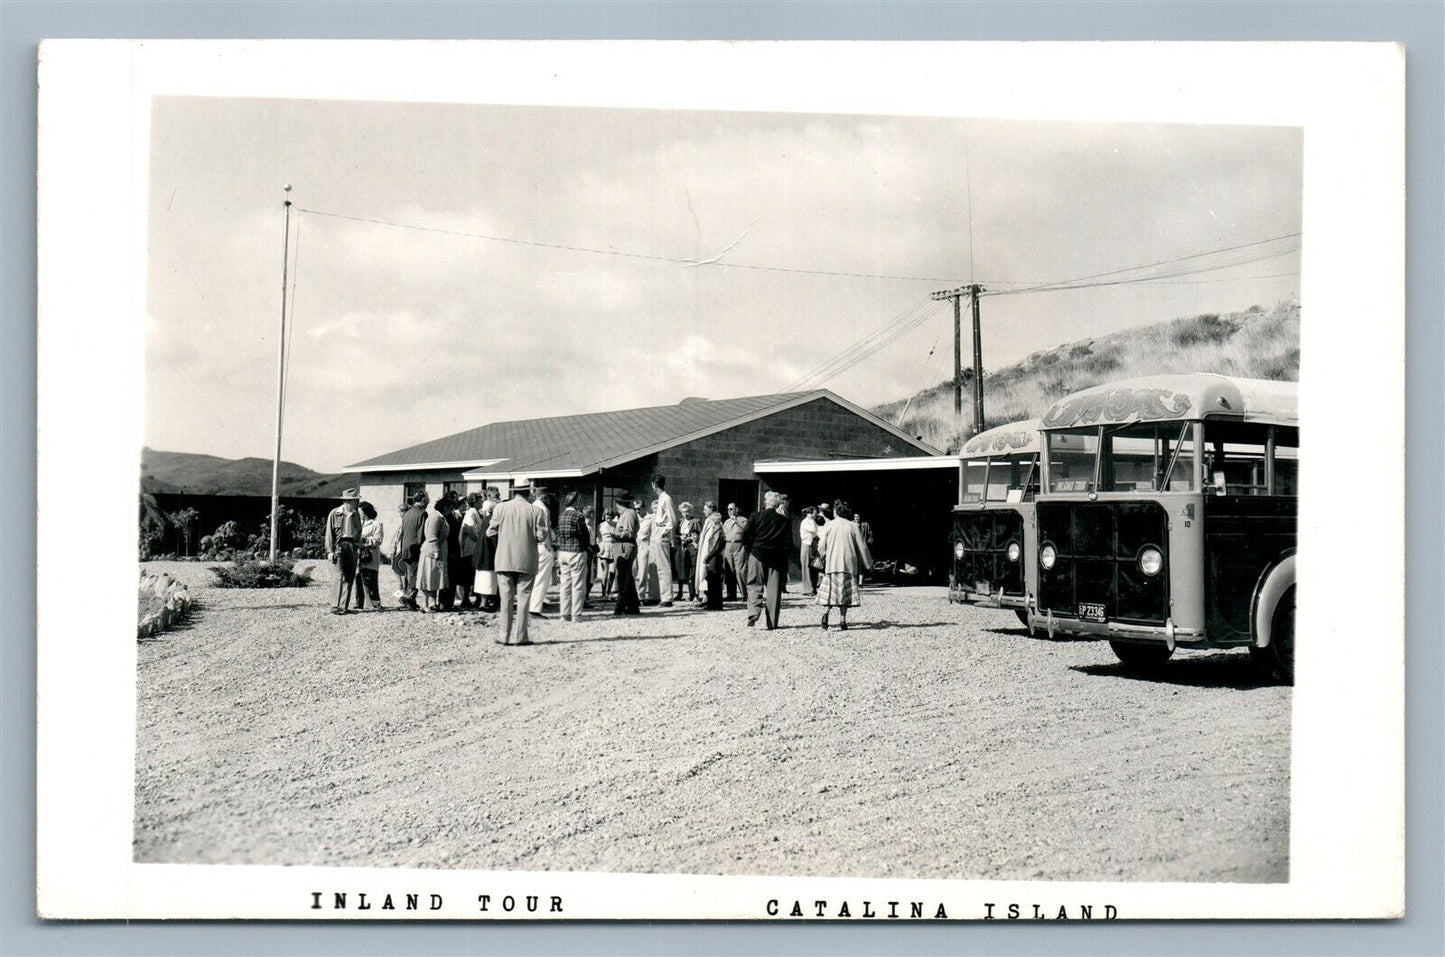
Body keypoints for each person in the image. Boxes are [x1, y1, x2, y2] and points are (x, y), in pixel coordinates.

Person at [487, 483, 548, 645]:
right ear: (529, 492)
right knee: (524, 598)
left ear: (514, 492)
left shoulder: (501, 508)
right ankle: (521, 636)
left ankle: (503, 635)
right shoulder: (536, 511)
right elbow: (541, 536)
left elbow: (490, 531)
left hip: (504, 558)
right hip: (527, 558)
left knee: (505, 598)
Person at [816, 499, 874, 630]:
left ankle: (826, 614)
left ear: (836, 511)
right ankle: (843, 621)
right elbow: (862, 546)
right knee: (845, 593)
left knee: (831, 592)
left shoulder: (829, 525)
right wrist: (868, 563)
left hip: (832, 564)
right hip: (848, 564)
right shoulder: (852, 526)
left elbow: (821, 545)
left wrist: (824, 555)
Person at [741, 490, 790, 629]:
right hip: (776, 558)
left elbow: (745, 535)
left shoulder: (756, 516)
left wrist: (750, 548)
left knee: (754, 584)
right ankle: (772, 622)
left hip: (757, 554)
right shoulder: (784, 520)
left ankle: (753, 613)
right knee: (774, 590)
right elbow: (788, 543)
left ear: (765, 502)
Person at [323, 488, 364, 614]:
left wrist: (357, 546)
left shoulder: (356, 515)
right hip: (338, 545)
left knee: (349, 575)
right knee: (338, 574)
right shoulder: (335, 513)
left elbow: (359, 532)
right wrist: (329, 551)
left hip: (351, 544)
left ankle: (343, 606)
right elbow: (329, 533)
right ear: (347, 501)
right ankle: (335, 606)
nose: (356, 503)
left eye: (356, 500)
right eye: (354, 501)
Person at [556, 491, 592, 622]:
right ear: (576, 502)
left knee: (565, 584)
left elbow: (559, 533)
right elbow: (584, 535)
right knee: (577, 585)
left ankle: (564, 614)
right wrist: (587, 546)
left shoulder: (561, 516)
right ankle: (576, 614)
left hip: (563, 551)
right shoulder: (578, 516)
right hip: (576, 551)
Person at [414, 493, 450, 613]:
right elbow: (431, 535)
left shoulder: (440, 517)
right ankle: (425, 605)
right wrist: (436, 551)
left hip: (437, 552)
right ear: (444, 507)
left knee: (435, 578)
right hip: (431, 552)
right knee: (427, 578)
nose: (451, 510)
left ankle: (433, 602)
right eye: (449, 507)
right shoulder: (435, 517)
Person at [609, 496, 641, 615]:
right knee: (628, 577)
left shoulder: (628, 514)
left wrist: (615, 534)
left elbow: (629, 533)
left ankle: (620, 605)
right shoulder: (627, 514)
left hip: (625, 547)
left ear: (618, 503)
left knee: (622, 578)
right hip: (623, 546)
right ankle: (632, 606)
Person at [649, 474, 677, 607]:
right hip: (656, 532)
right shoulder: (661, 498)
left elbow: (672, 520)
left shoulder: (666, 498)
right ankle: (656, 595)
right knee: (655, 565)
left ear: (654, 484)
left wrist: (664, 532)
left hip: (662, 533)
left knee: (664, 566)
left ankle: (667, 598)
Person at [528, 487, 556, 618]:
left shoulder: (530, 507)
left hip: (531, 546)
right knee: (541, 578)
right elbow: (545, 529)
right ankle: (535, 608)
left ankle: (530, 605)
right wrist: (549, 546)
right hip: (542, 545)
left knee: (533, 577)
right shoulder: (543, 509)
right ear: (544, 496)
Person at [398, 491, 428, 611]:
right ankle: (408, 597)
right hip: (415, 548)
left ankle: (410, 602)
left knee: (409, 575)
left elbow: (403, 531)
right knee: (415, 575)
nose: (429, 502)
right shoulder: (422, 513)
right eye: (427, 500)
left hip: (405, 547)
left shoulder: (407, 513)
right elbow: (421, 535)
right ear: (423, 500)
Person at [473, 487, 501, 611]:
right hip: (489, 552)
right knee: (488, 578)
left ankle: (484, 602)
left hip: (483, 552)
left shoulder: (486, 519)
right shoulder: (492, 521)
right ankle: (484, 603)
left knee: (484, 578)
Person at [354, 501, 385, 610]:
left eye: (361, 511)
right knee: (358, 580)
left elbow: (378, 540)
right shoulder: (358, 523)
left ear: (366, 512)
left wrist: (364, 540)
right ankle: (359, 603)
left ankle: (375, 603)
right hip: (359, 555)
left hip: (370, 555)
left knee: (371, 580)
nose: (359, 513)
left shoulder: (376, 524)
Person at [456, 492, 484, 609]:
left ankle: (475, 598)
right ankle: (465, 598)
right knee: (468, 576)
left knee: (473, 575)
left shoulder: (476, 513)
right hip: (470, 550)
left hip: (474, 549)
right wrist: (481, 539)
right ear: (475, 501)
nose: (482, 502)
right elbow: (471, 530)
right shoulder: (470, 513)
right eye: (480, 500)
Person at [696, 501, 725, 610]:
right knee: (711, 580)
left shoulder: (717, 530)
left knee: (713, 580)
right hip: (710, 556)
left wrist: (708, 557)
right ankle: (711, 601)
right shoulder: (713, 527)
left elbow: (716, 545)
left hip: (713, 557)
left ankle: (714, 603)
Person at [722, 502, 748, 602]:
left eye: (731, 509)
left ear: (737, 509)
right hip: (728, 545)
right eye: (728, 509)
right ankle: (731, 594)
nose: (729, 511)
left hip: (739, 545)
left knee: (740, 571)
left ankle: (744, 594)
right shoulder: (727, 522)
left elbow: (747, 530)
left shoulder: (743, 520)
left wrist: (736, 521)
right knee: (729, 570)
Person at [676, 501, 699, 602]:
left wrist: (689, 538)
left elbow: (698, 535)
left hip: (690, 548)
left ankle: (693, 593)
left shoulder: (695, 521)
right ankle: (680, 592)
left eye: (688, 511)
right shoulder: (680, 522)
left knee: (691, 569)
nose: (686, 514)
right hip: (680, 548)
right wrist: (680, 537)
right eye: (684, 511)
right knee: (680, 569)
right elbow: (675, 534)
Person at [387, 503, 409, 600]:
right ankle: (401, 586)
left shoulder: (406, 523)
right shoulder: (402, 523)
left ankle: (403, 588)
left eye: (401, 512)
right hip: (398, 549)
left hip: (402, 549)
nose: (400, 514)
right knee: (396, 567)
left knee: (402, 568)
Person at [636, 503, 656, 604]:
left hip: (645, 545)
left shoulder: (650, 518)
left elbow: (653, 534)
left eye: (639, 508)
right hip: (634, 545)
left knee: (643, 572)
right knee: (633, 571)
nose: (637, 511)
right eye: (635, 509)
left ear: (644, 508)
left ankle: (641, 596)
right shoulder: (634, 517)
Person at [798, 505, 820, 596]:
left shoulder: (812, 521)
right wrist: (811, 520)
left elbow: (816, 532)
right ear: (810, 513)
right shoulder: (806, 522)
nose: (816, 514)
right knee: (806, 567)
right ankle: (807, 589)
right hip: (807, 544)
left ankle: (813, 587)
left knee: (814, 566)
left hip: (813, 544)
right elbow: (814, 530)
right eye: (814, 513)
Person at [596, 509, 616, 599]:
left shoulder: (615, 524)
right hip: (604, 548)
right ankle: (603, 593)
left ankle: (609, 591)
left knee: (613, 572)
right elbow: (598, 538)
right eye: (607, 518)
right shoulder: (601, 525)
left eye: (610, 518)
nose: (609, 520)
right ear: (604, 516)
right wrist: (599, 548)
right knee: (605, 572)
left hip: (613, 547)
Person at [856, 512, 875, 584]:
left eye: (858, 516)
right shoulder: (851, 524)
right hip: (854, 547)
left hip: (862, 547)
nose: (856, 518)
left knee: (861, 565)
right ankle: (855, 580)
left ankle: (860, 582)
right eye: (855, 517)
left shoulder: (865, 525)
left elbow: (870, 535)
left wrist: (868, 542)